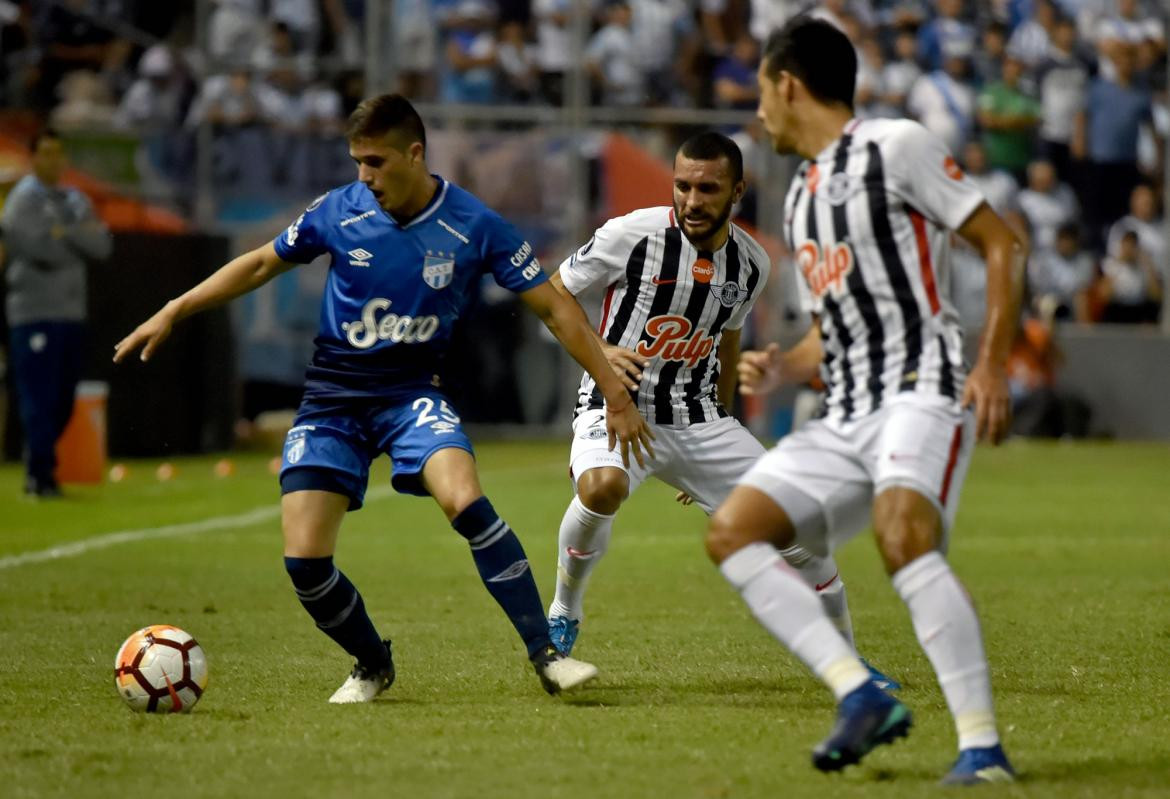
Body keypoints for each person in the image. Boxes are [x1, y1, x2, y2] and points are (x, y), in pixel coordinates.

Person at [114, 94, 654, 703]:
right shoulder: (337, 211)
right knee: (305, 564)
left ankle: (546, 654)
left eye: (374, 162)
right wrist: (175, 308)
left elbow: (556, 309)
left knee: (466, 499)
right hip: (331, 402)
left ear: (414, 153)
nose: (363, 177)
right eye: (356, 163)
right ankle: (372, 662)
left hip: (411, 398)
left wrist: (614, 391)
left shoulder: (475, 225)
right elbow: (264, 263)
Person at [705, 18, 1024, 784]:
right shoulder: (801, 200)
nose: (758, 115)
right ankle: (860, 692)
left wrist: (992, 366)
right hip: (846, 411)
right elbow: (830, 330)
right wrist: (784, 363)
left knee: (901, 532)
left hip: (922, 384)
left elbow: (1003, 242)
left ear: (788, 83)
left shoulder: (896, 145)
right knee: (733, 531)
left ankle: (982, 747)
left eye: (761, 94)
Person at [544, 130, 896, 690]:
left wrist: (716, 437)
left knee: (803, 529)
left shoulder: (752, 263)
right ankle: (563, 612)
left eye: (708, 189)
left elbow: (727, 343)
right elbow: (553, 291)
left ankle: (849, 664)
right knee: (602, 487)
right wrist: (606, 361)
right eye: (682, 186)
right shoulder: (632, 234)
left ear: (737, 191)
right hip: (616, 405)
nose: (691, 200)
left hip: (698, 416)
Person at [2, 128, 111, 498]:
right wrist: (70, 238)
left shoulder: (75, 199)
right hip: (33, 312)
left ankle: (43, 466)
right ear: (33, 158)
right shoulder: (21, 201)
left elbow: (101, 244)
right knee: (38, 396)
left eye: (58, 153)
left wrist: (64, 233)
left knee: (64, 398)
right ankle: (40, 475)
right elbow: (39, 249)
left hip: (70, 312)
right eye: (45, 153)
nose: (54, 161)